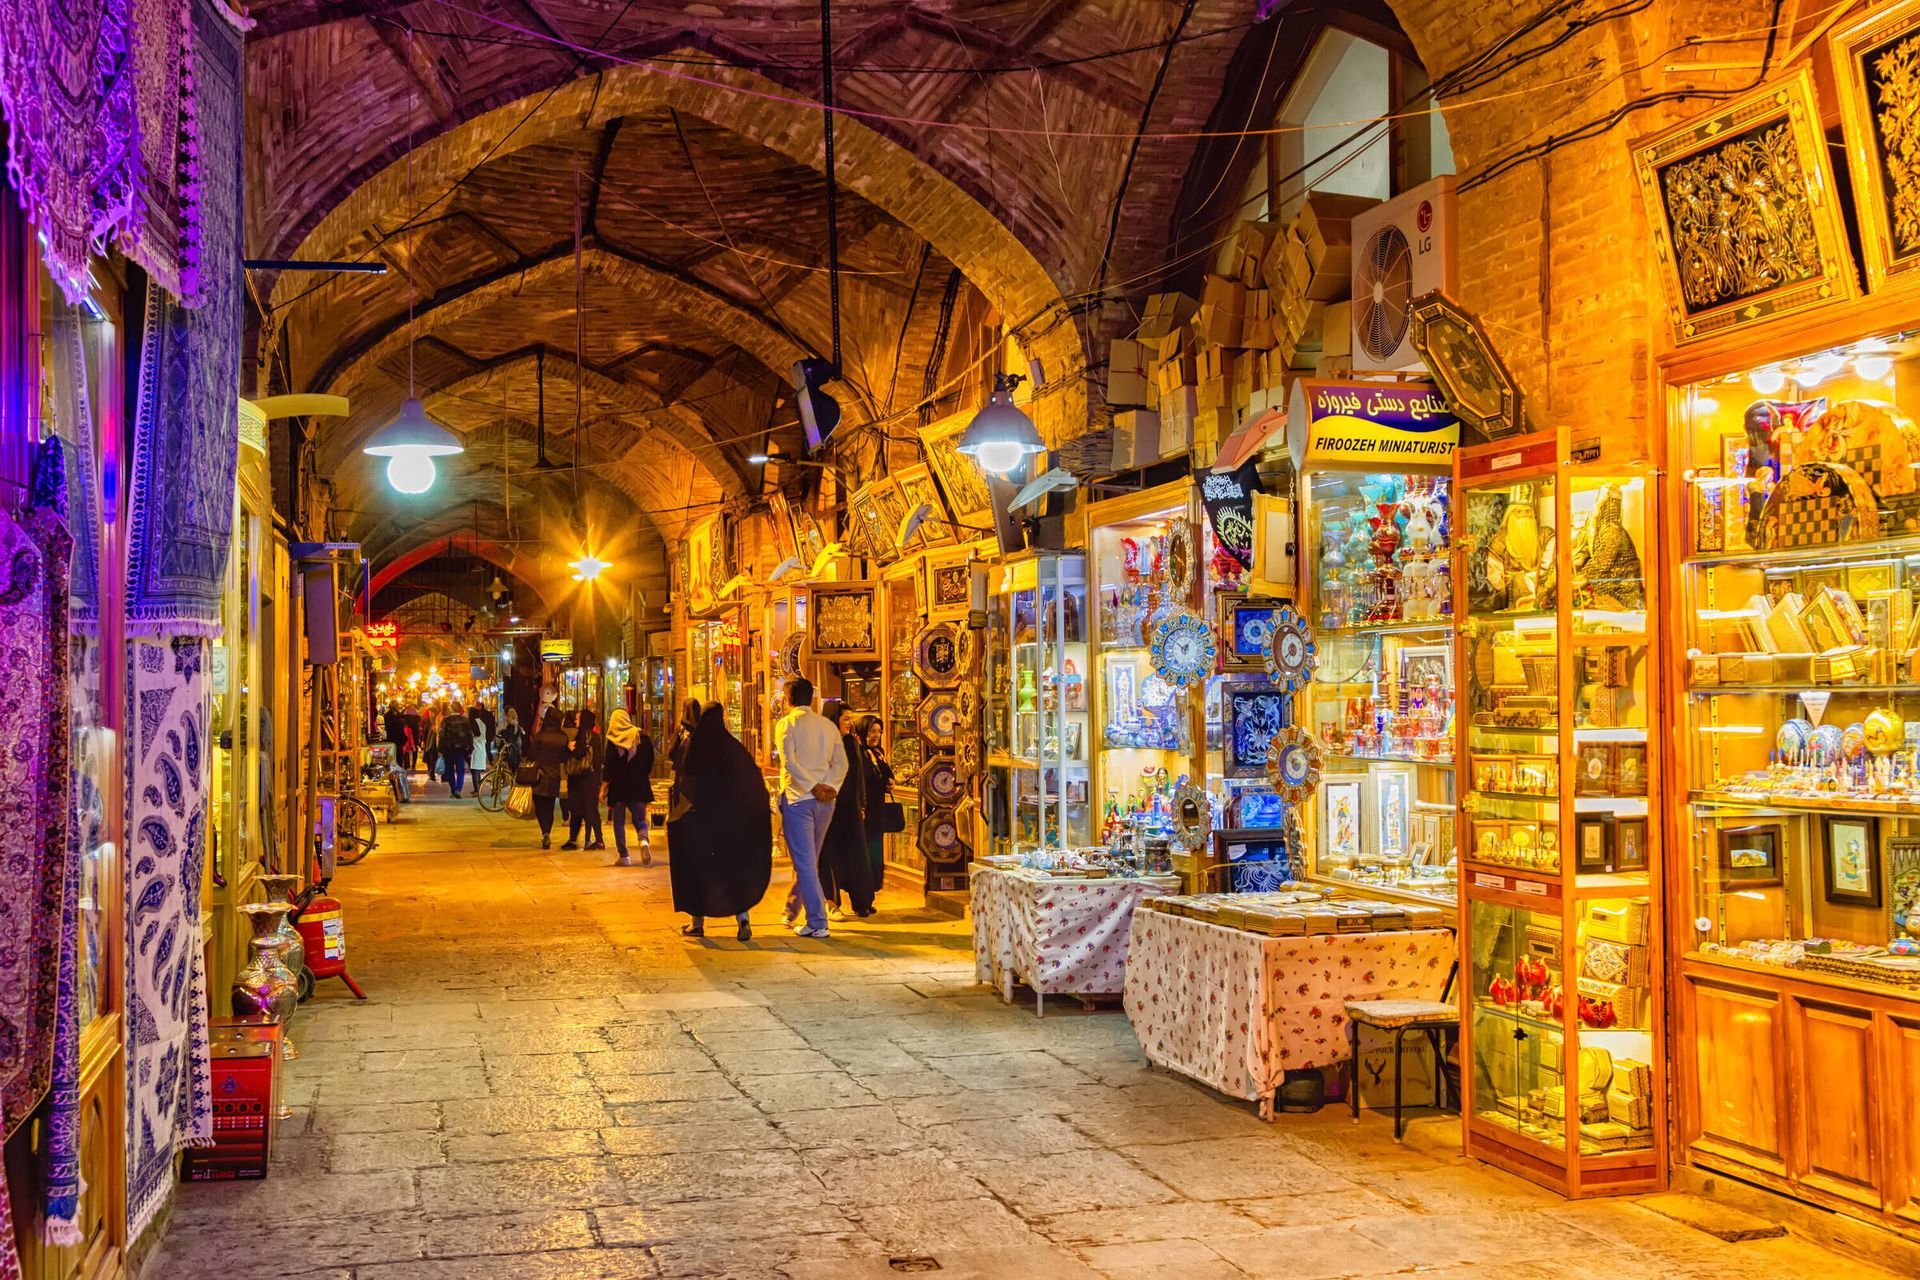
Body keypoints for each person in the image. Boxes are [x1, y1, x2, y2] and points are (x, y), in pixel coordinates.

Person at [665, 704, 771, 940]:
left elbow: (686, 784)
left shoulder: (696, 749)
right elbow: (753, 785)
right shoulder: (734, 749)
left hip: (700, 824)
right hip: (730, 826)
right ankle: (743, 919)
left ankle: (697, 923)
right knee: (733, 871)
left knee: (699, 872)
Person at [773, 677, 845, 939]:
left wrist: (813, 786)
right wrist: (830, 786)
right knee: (809, 861)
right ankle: (794, 908)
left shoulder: (786, 724)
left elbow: (789, 762)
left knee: (804, 863)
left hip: (798, 799)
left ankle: (817, 921)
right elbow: (841, 764)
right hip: (826, 801)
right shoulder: (827, 726)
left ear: (788, 699)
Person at [816, 700, 877, 920]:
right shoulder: (820, 744)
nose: (849, 724)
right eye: (845, 719)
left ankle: (861, 901)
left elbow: (858, 775)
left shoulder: (851, 742)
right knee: (829, 854)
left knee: (856, 853)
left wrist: (861, 803)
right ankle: (831, 902)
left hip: (850, 807)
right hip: (827, 806)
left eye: (851, 719)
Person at [603, 707, 655, 867]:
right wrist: (642, 775)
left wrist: (603, 787)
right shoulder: (643, 738)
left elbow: (609, 766)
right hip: (639, 785)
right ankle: (643, 842)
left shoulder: (613, 741)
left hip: (618, 788)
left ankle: (624, 856)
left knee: (618, 822)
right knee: (640, 819)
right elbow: (650, 761)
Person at [858, 715, 894, 891]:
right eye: (872, 731)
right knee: (864, 847)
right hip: (864, 809)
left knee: (875, 845)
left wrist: (889, 782)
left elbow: (885, 773)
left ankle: (874, 883)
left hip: (877, 808)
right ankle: (864, 884)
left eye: (879, 731)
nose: (876, 735)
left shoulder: (878, 753)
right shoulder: (858, 753)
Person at [527, 709, 572, 849]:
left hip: (539, 776)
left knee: (540, 807)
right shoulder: (563, 737)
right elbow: (565, 758)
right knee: (550, 806)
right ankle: (547, 831)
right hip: (554, 776)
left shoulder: (540, 736)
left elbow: (532, 755)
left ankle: (544, 831)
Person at [563, 708, 605, 851]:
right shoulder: (596, 737)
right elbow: (599, 760)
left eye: (578, 718)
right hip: (592, 778)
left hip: (581, 779)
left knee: (578, 809)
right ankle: (598, 839)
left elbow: (579, 753)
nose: (576, 720)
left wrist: (569, 747)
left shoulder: (582, 735)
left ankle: (577, 839)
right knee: (591, 810)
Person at [439, 705, 475, 797]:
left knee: (450, 770)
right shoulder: (465, 720)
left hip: (448, 748)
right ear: (459, 710)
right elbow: (469, 735)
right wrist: (470, 748)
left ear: (451, 709)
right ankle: (458, 789)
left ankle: (453, 789)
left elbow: (442, 735)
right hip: (461, 748)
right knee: (460, 769)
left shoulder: (445, 720)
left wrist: (440, 749)